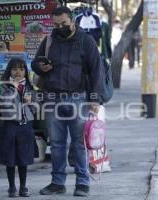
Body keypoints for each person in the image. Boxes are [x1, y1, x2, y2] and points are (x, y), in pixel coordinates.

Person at [31, 7, 105, 197]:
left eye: (63, 24)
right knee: (56, 144)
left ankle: (82, 182)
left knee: (79, 143)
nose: (59, 27)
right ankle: (57, 182)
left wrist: (95, 99)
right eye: (56, 25)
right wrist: (41, 66)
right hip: (52, 98)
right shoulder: (49, 40)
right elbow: (35, 63)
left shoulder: (86, 41)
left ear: (72, 21)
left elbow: (97, 70)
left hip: (78, 98)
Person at [0, 58, 36, 198]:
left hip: (25, 127)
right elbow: (4, 105)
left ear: (26, 71)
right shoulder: (5, 87)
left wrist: (31, 103)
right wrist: (13, 88)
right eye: (14, 69)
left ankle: (23, 187)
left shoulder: (30, 88)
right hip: (10, 127)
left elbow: (36, 109)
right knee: (10, 159)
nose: (18, 72)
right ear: (9, 71)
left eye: (21, 69)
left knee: (23, 159)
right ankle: (12, 187)